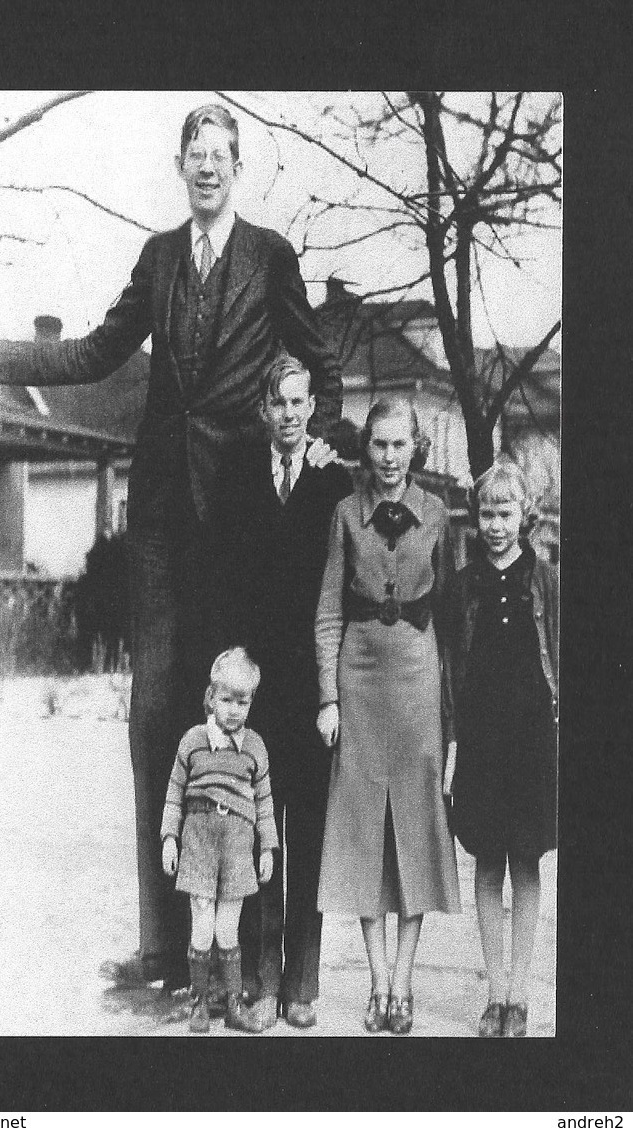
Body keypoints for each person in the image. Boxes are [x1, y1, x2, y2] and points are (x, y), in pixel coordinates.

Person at [0, 103, 342, 996]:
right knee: (156, 717)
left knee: (249, 717)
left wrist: (323, 438)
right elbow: (94, 351)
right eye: (194, 155)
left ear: (238, 166)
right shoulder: (160, 257)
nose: (207, 167)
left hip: (243, 513)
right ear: (180, 166)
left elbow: (319, 364)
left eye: (220, 154)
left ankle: (250, 951)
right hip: (163, 510)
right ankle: (166, 949)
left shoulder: (272, 257)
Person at [315, 396, 460, 1035]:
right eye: (379, 444)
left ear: (416, 448)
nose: (390, 457)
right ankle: (375, 983)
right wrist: (328, 696)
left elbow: (455, 618)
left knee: (416, 833)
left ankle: (404, 984)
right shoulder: (346, 514)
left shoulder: (438, 515)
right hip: (361, 679)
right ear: (366, 448)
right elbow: (326, 611)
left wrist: (458, 714)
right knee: (364, 833)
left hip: (418, 682)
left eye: (401, 445)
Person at [216, 353, 352, 1029]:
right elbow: (225, 574)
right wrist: (231, 665)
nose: (292, 415)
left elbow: (346, 586)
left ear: (312, 408)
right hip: (257, 682)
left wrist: (336, 690)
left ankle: (302, 983)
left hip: (313, 684)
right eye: (281, 404)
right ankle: (260, 981)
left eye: (301, 403)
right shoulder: (240, 476)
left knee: (309, 834)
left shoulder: (333, 481)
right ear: (264, 410)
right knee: (259, 833)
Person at [443, 459, 558, 1038]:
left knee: (526, 863)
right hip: (484, 741)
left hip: (533, 737)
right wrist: (455, 742)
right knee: (488, 862)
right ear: (476, 514)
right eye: (487, 512)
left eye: (506, 512)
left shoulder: (545, 578)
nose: (495, 524)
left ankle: (522, 994)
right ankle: (495, 992)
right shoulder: (463, 585)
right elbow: (449, 669)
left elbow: (560, 655)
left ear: (525, 515)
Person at [160, 647, 277, 1033]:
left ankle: (233, 1005)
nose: (233, 710)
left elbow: (264, 803)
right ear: (211, 697)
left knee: (228, 929)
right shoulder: (192, 740)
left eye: (242, 702)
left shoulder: (255, 747)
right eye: (226, 700)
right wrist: (169, 840)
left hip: (238, 846)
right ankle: (197, 1003)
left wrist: (267, 848)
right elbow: (175, 792)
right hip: (198, 843)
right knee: (201, 925)